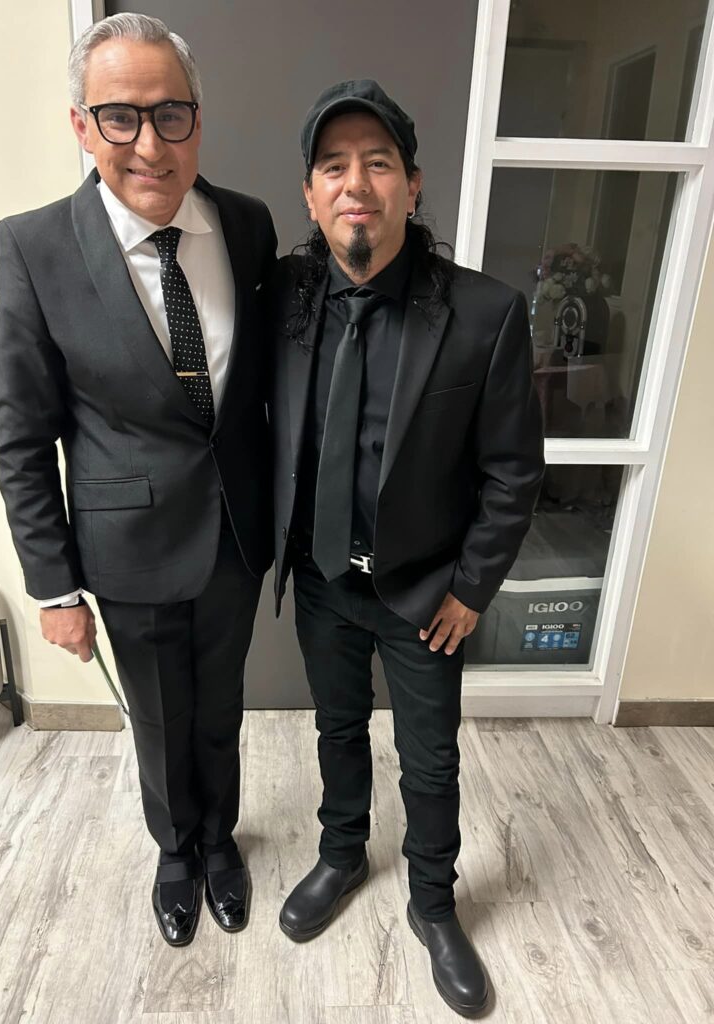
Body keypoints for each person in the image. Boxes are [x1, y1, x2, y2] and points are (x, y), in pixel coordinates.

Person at [0, 14, 276, 947]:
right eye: (120, 116)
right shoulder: (36, 247)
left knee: (220, 707)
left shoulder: (247, 224)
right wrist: (53, 586)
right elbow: (22, 434)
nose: (150, 144)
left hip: (235, 532)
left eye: (170, 114)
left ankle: (222, 841)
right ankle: (177, 851)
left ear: (199, 119)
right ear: (82, 124)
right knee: (158, 716)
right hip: (125, 545)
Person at [270, 80, 544, 1016]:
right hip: (322, 579)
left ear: (412, 186)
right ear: (311, 195)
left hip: (426, 595)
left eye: (378, 163)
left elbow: (515, 470)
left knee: (429, 761)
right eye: (334, 166)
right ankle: (342, 854)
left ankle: (433, 903)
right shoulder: (287, 297)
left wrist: (472, 586)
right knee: (336, 729)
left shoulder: (484, 313)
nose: (357, 183)